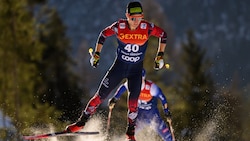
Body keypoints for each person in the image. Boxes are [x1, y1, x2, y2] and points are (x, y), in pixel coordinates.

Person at [65, 1, 167, 141]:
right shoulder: (120, 26)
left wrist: (159, 56)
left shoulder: (147, 28)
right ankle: (81, 123)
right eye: (132, 18)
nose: (135, 22)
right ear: (127, 16)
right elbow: (103, 34)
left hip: (135, 71)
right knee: (99, 97)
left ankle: (130, 133)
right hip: (118, 68)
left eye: (138, 18)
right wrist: (97, 54)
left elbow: (163, 35)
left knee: (133, 103)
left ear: (142, 17)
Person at [108, 69, 173, 141]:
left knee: (166, 134)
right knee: (130, 134)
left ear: (143, 78)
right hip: (140, 116)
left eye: (140, 79)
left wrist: (166, 111)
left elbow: (162, 98)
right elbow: (122, 89)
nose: (137, 81)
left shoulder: (151, 87)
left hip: (153, 115)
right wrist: (114, 99)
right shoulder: (131, 84)